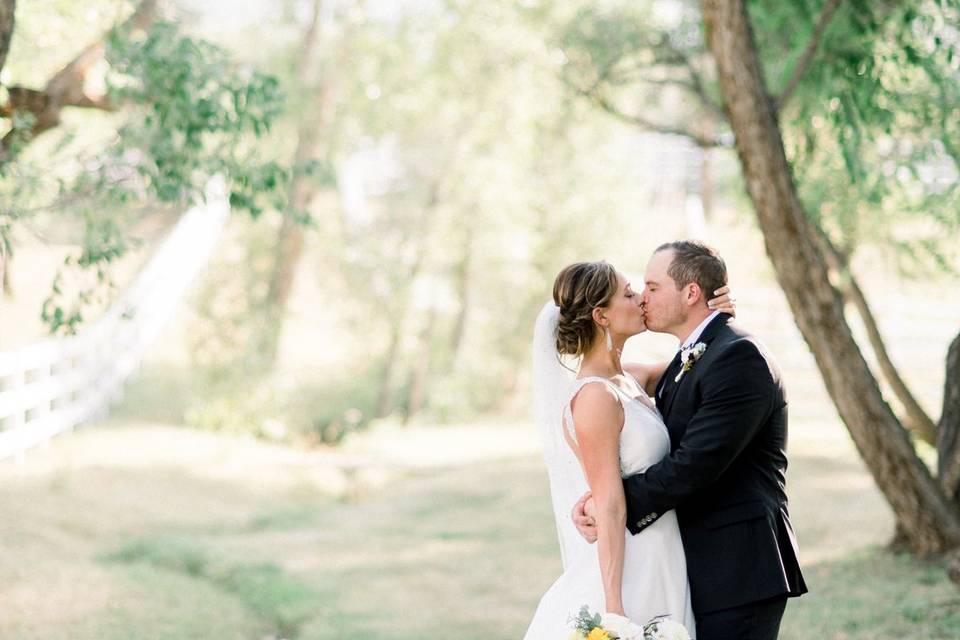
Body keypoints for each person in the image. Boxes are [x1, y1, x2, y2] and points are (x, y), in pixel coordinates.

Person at [571, 241, 807, 640]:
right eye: (635, 291)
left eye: (651, 287)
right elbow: (603, 379)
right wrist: (601, 496)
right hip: (696, 564)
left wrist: (611, 502)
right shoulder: (691, 357)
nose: (642, 299)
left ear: (692, 292)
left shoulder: (738, 356)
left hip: (738, 567)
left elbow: (695, 465)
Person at [524, 259, 735, 639]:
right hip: (634, 563)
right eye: (628, 293)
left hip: (664, 551)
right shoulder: (594, 398)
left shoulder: (630, 378)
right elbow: (609, 503)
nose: (640, 299)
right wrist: (614, 608)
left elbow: (695, 360)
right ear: (601, 315)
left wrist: (715, 317)